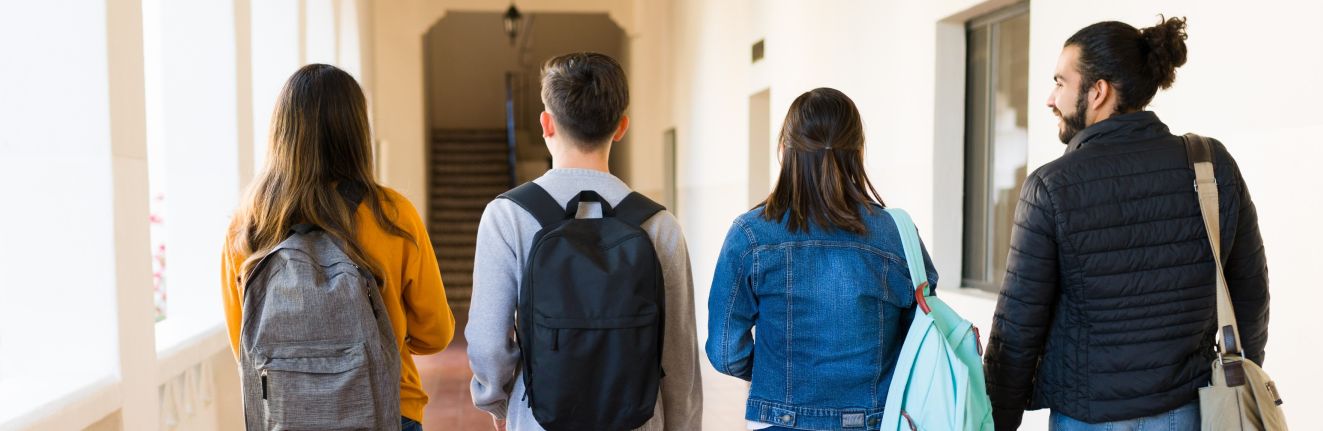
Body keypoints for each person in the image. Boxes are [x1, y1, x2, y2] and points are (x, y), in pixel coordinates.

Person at [982, 17, 1270, 431]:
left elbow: (1018, 329)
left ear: (1098, 92)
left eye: (1060, 82)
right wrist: (1238, 382)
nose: (1050, 98)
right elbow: (1250, 293)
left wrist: (995, 422)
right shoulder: (1210, 164)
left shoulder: (1051, 186)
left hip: (1088, 417)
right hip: (1189, 411)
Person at [467, 52, 702, 431]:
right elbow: (678, 355)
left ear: (546, 124)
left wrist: (497, 402)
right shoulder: (660, 225)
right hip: (638, 420)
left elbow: (488, 342)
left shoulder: (507, 216)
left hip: (539, 417)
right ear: (622, 126)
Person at [220, 63, 455, 431]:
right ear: (357, 131)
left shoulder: (247, 225)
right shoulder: (391, 214)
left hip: (286, 415)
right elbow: (436, 334)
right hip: (388, 409)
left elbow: (244, 342)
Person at [705, 87, 937, 431]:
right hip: (875, 421)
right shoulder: (897, 233)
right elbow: (920, 338)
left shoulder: (750, 234)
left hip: (778, 421)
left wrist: (778, 376)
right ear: (858, 152)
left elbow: (726, 351)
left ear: (784, 151)